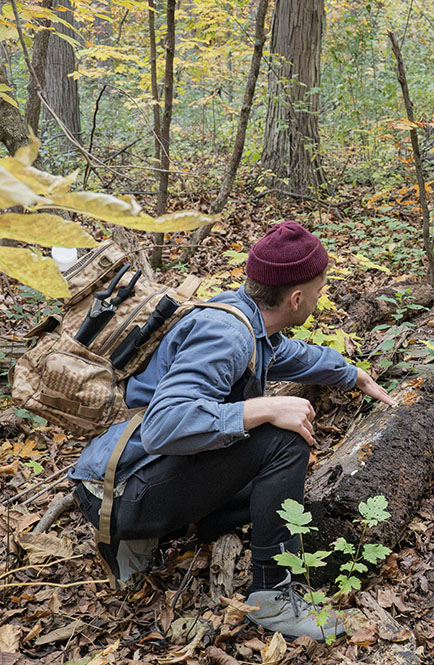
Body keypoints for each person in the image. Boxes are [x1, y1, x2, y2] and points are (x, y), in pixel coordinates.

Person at [69, 221, 396, 641]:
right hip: (118, 493)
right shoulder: (226, 334)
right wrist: (263, 407)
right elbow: (163, 426)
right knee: (284, 439)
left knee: (273, 488)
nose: (320, 295)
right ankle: (272, 598)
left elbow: (286, 353)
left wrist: (352, 374)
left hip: (124, 480)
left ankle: (146, 540)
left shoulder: (240, 316)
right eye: (319, 288)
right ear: (296, 299)